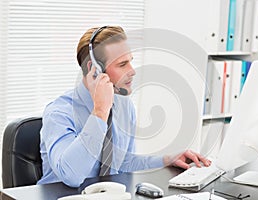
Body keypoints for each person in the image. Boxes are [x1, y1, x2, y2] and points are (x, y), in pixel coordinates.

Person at [37, 26, 211, 187]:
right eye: (122, 64)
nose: (132, 70)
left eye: (130, 61)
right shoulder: (58, 113)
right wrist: (100, 112)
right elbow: (72, 176)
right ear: (95, 69)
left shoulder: (123, 105)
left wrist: (166, 160)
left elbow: (122, 163)